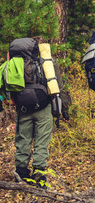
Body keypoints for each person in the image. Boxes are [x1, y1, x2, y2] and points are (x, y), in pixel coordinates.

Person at [13, 36, 70, 188]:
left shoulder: (19, 63)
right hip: (44, 107)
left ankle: (21, 172)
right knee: (41, 142)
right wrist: (64, 109)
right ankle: (39, 174)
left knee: (23, 140)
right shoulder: (49, 62)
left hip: (23, 108)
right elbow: (59, 86)